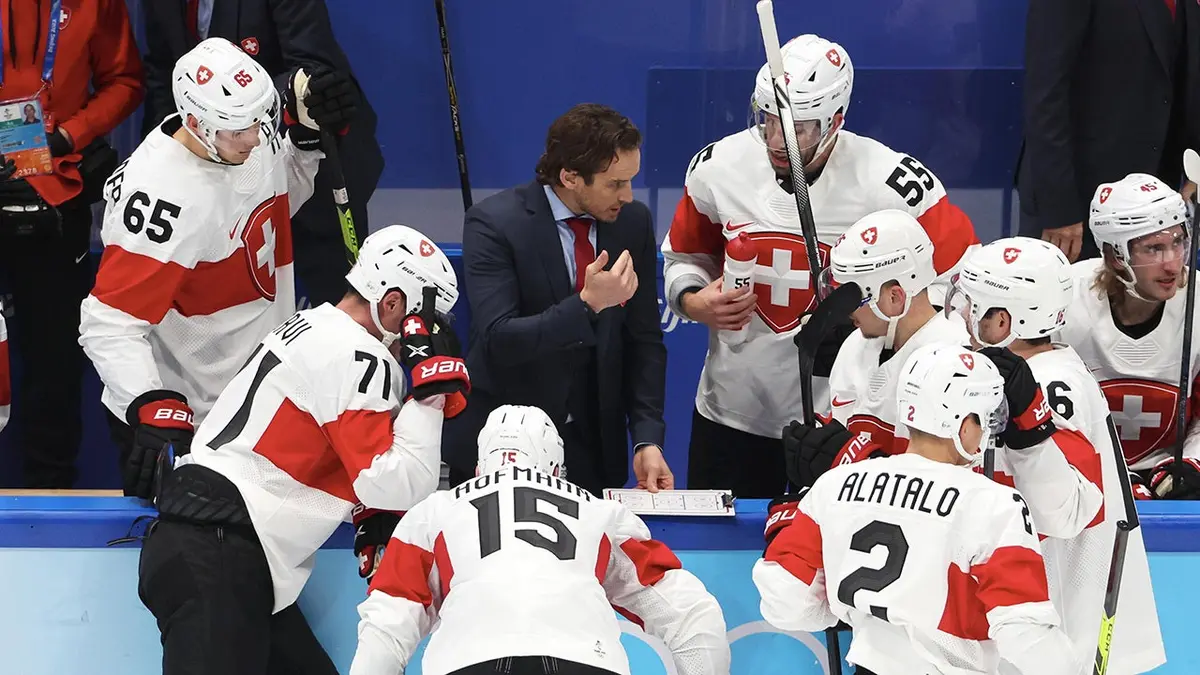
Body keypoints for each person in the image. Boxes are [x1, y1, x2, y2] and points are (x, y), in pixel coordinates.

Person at [137, 224, 468, 675]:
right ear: (393, 304)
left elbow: (324, 442)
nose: (431, 332)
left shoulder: (307, 322)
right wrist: (430, 395)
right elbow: (394, 484)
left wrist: (366, 513)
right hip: (221, 554)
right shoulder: (362, 354)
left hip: (218, 548)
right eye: (430, 319)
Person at [660, 34, 979, 498]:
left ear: (836, 121)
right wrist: (692, 300)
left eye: (796, 127)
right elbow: (684, 256)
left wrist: (882, 331)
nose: (774, 139)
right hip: (729, 412)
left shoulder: (891, 184)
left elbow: (964, 279)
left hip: (840, 426)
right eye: (766, 119)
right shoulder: (717, 168)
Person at [78, 37, 359, 499]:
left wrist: (305, 140)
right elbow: (109, 323)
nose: (255, 137)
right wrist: (149, 402)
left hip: (262, 395)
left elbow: (271, 203)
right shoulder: (162, 200)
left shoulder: (241, 131)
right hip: (196, 417)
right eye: (239, 131)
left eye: (259, 122)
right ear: (196, 123)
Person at [755, 343, 1081, 675]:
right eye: (985, 420)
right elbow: (1023, 634)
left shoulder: (834, 485)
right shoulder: (994, 505)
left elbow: (787, 603)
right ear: (964, 425)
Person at [784, 211, 1103, 543]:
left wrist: (856, 463)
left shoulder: (962, 366)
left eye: (848, 295)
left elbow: (960, 494)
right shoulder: (855, 347)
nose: (839, 307)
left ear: (894, 297)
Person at [350, 404, 730, 675]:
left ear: (481, 464)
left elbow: (387, 625)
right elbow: (692, 613)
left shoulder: (434, 511)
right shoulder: (601, 513)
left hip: (466, 659)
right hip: (588, 659)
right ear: (556, 468)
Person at [947, 236, 1165, 673]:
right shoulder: (1032, 373)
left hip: (1053, 626)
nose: (961, 314)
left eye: (973, 304)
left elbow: (1063, 514)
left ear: (1004, 322)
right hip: (1035, 623)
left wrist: (1028, 427)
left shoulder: (1047, 387)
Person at [444, 103, 671, 497]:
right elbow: (499, 337)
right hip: (506, 446)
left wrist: (647, 438)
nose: (628, 195)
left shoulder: (632, 223)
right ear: (570, 176)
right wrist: (586, 305)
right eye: (615, 183)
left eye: (630, 180)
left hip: (593, 452)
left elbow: (644, 341)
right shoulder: (494, 223)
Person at [140, 0, 384, 308]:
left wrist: (235, 112)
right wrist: (163, 165)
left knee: (336, 327)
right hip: (215, 190)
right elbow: (163, 74)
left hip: (310, 182)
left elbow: (311, 75)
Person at [0, 0, 142, 488]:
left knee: (54, 362)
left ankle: (49, 493)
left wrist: (66, 137)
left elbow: (124, 81)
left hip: (56, 191)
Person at [1017, 0, 1200, 262]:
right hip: (1082, 199)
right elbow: (1046, 96)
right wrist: (1060, 210)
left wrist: (1196, 167)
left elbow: (1186, 70)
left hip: (1160, 194)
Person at [1060, 173, 1200, 499]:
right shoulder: (1063, 297)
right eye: (1153, 249)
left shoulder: (1198, 300)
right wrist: (1102, 477)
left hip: (1170, 480)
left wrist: (1193, 463)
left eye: (1178, 242)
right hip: (1079, 481)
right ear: (1114, 256)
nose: (1172, 265)